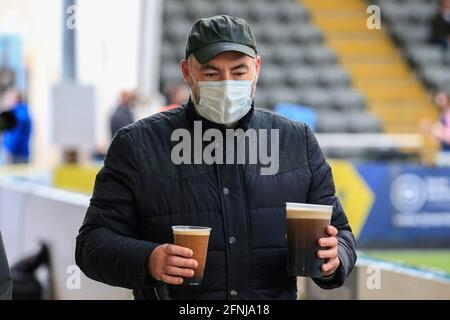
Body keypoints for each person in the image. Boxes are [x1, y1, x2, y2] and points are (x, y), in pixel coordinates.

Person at [76, 15, 356, 300]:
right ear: (187, 73)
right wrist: (149, 259)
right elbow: (91, 245)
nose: (226, 84)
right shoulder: (137, 145)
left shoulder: (297, 142)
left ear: (256, 69)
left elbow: (342, 234)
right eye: (211, 74)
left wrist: (335, 260)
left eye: (238, 72)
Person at [0, 91, 31, 164]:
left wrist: (9, 149)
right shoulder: (20, 113)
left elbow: (15, 135)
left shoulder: (18, 115)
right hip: (18, 153)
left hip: (15, 154)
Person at [421, 91, 450, 165]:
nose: (439, 102)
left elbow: (446, 136)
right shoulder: (442, 114)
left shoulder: (447, 114)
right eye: (438, 99)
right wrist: (429, 130)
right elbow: (438, 138)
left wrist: (432, 129)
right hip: (444, 150)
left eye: (441, 99)